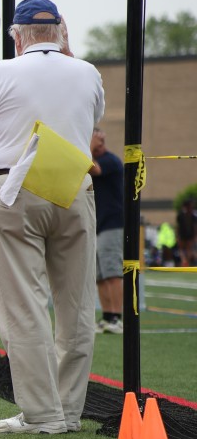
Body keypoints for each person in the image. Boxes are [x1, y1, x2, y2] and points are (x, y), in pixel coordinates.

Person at [0, 0, 105, 436]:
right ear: (60, 31)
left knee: (24, 305)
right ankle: (69, 410)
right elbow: (92, 117)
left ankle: (41, 413)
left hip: (16, 186)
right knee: (76, 305)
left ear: (17, 37)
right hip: (73, 186)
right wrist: (68, 52)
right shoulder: (87, 72)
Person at [89, 128, 124, 334]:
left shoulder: (111, 161)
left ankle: (117, 318)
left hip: (112, 223)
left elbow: (94, 169)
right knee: (100, 275)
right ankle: (108, 316)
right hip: (98, 224)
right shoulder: (92, 158)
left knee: (112, 272)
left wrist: (89, 147)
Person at [176, 198, 196, 267]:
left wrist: (195, 236)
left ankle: (185, 262)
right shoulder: (182, 215)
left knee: (186, 249)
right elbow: (178, 226)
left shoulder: (191, 216)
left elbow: (195, 227)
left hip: (187, 234)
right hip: (184, 234)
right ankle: (185, 262)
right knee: (185, 249)